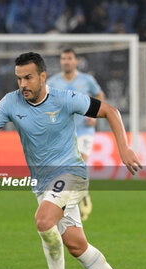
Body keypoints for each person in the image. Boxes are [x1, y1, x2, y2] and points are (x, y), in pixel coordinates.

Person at [0, 52, 142, 269]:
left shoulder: (65, 99)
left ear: (42, 76)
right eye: (19, 79)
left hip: (71, 174)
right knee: (76, 245)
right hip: (43, 183)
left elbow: (110, 111)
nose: (23, 84)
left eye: (28, 77)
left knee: (43, 220)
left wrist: (124, 148)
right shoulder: (11, 102)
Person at [48, 48, 105, 220]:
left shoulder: (87, 80)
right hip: (64, 132)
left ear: (76, 61)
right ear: (61, 61)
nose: (66, 61)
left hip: (84, 129)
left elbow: (99, 94)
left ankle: (83, 197)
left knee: (81, 162)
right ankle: (73, 196)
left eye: (69, 58)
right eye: (63, 58)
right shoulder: (53, 82)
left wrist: (94, 115)